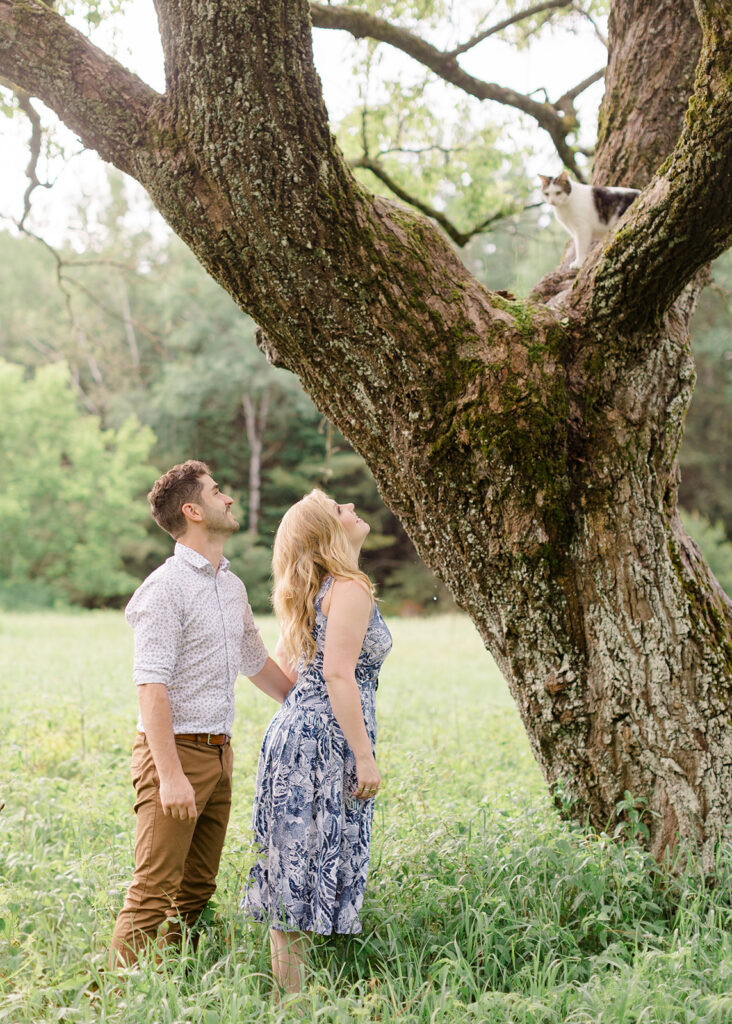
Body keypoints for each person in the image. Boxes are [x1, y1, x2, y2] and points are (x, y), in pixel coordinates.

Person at [110, 459, 293, 966]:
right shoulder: (164, 588)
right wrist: (170, 776)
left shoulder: (230, 586)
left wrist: (317, 698)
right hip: (174, 754)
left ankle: (171, 987)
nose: (228, 498)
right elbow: (151, 687)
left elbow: (259, 665)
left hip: (219, 754)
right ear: (192, 510)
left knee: (195, 890)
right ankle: (111, 1005)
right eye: (217, 492)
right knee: (153, 891)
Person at [241, 489, 392, 996]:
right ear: (328, 532)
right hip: (325, 744)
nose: (352, 509)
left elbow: (279, 674)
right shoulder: (348, 587)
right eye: (340, 509)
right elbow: (337, 675)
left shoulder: (314, 591)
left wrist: (298, 713)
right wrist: (364, 756)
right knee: (299, 869)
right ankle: (295, 1004)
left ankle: (294, 1001)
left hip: (296, 737)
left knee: (293, 873)